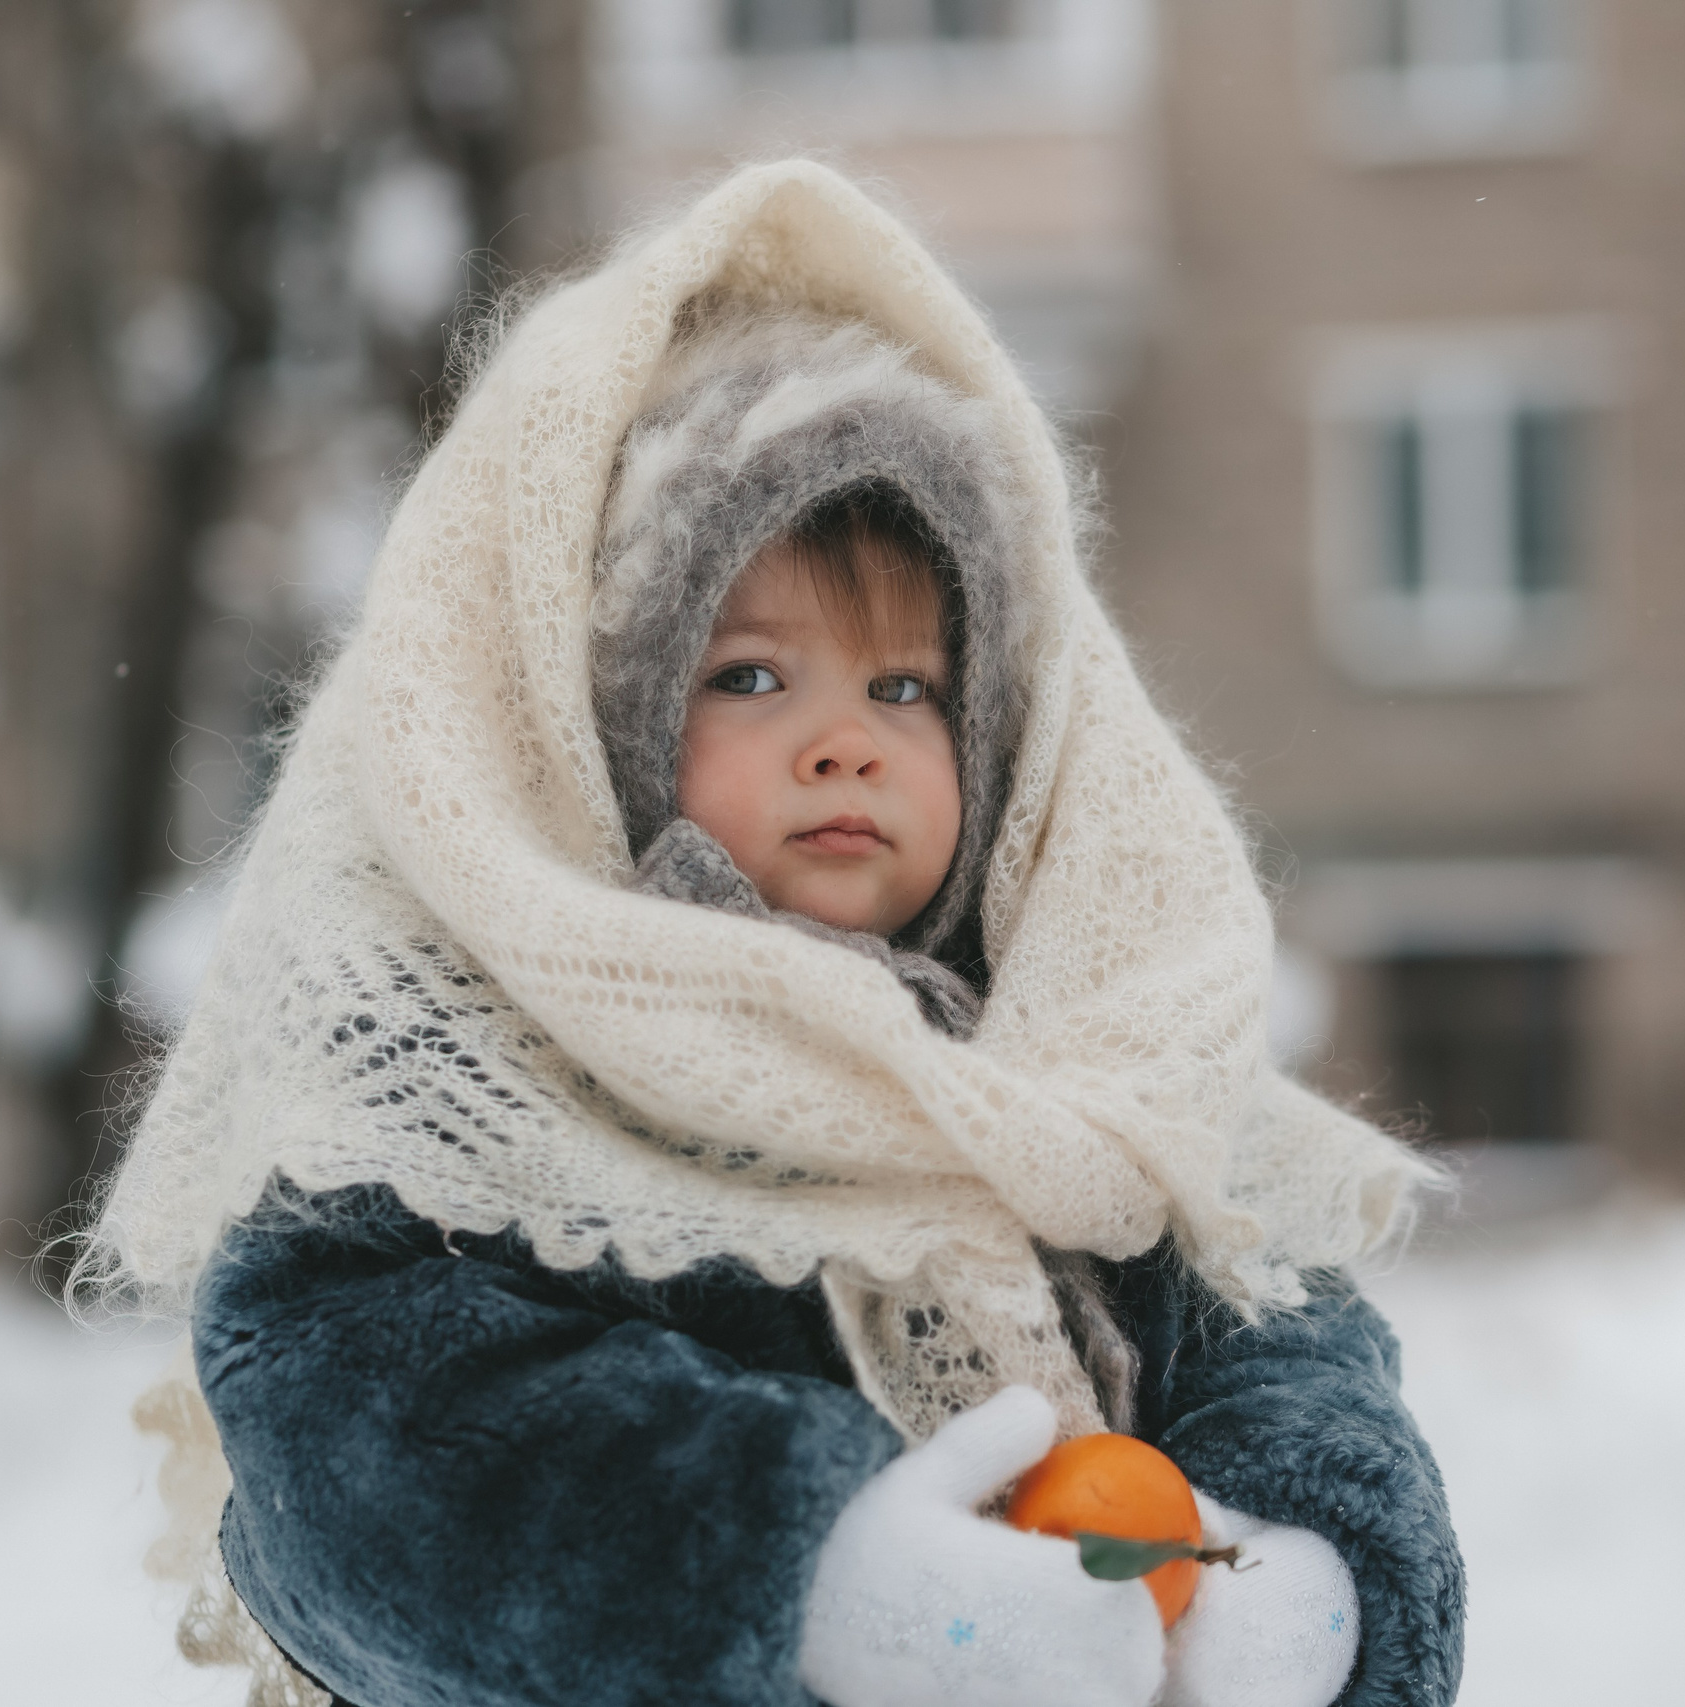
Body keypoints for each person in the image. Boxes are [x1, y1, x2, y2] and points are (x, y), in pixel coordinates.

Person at [87, 162, 1465, 1707]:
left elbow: (1281, 1333)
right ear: (590, 723)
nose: (845, 743)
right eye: (750, 678)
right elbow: (359, 1445)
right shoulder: (482, 1072)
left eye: (905, 689)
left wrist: (1311, 1583)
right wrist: (817, 1578)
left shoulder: (1067, 1054)